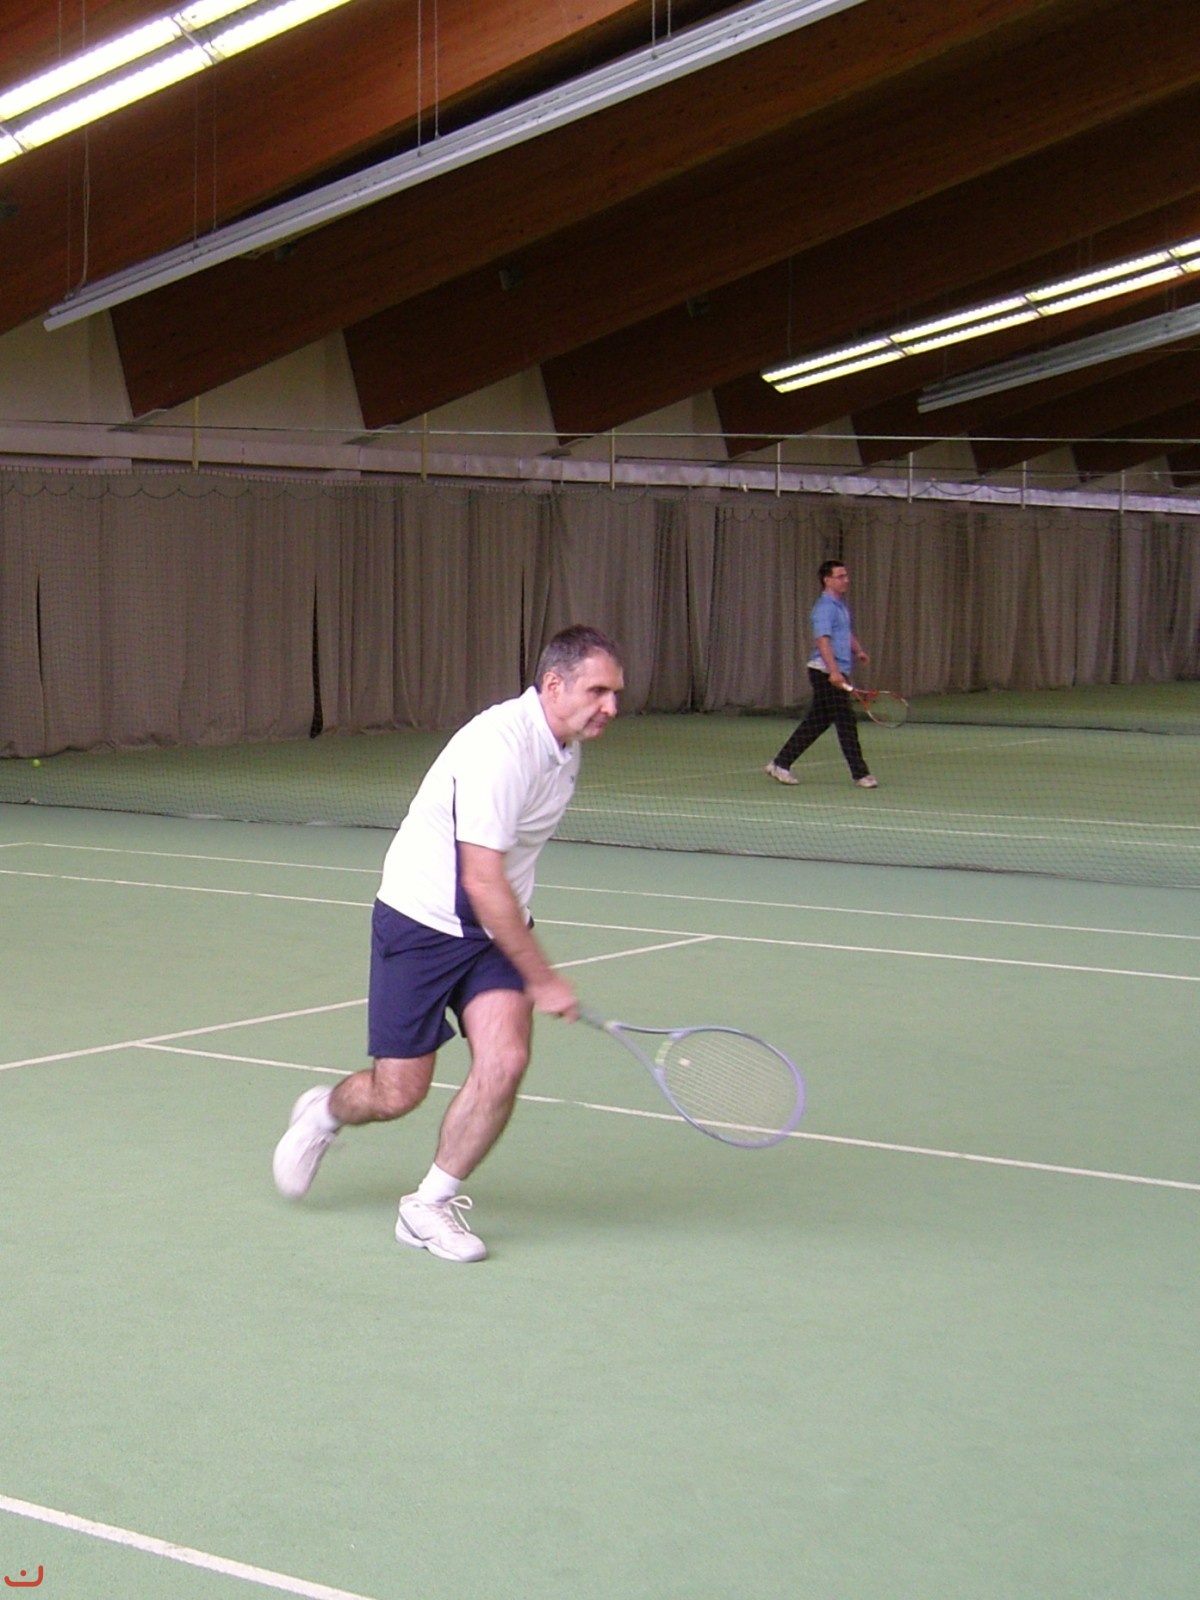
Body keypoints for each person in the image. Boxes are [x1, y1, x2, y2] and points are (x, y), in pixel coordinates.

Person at [272, 624, 624, 1263]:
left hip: (491, 933)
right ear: (553, 685)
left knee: (505, 1061)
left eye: (615, 693)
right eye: (598, 691)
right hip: (422, 922)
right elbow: (480, 879)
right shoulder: (499, 749)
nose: (611, 707)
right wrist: (542, 977)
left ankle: (427, 1206)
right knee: (396, 1093)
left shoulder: (564, 750)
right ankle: (324, 1113)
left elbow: (500, 883)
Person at [764, 559, 877, 788]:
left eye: (846, 576)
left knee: (817, 722)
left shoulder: (840, 606)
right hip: (824, 673)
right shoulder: (824, 608)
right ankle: (860, 774)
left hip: (837, 671)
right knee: (846, 721)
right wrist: (833, 672)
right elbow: (823, 641)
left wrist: (858, 651)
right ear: (827, 580)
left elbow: (845, 633)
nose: (846, 580)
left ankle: (780, 763)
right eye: (840, 576)